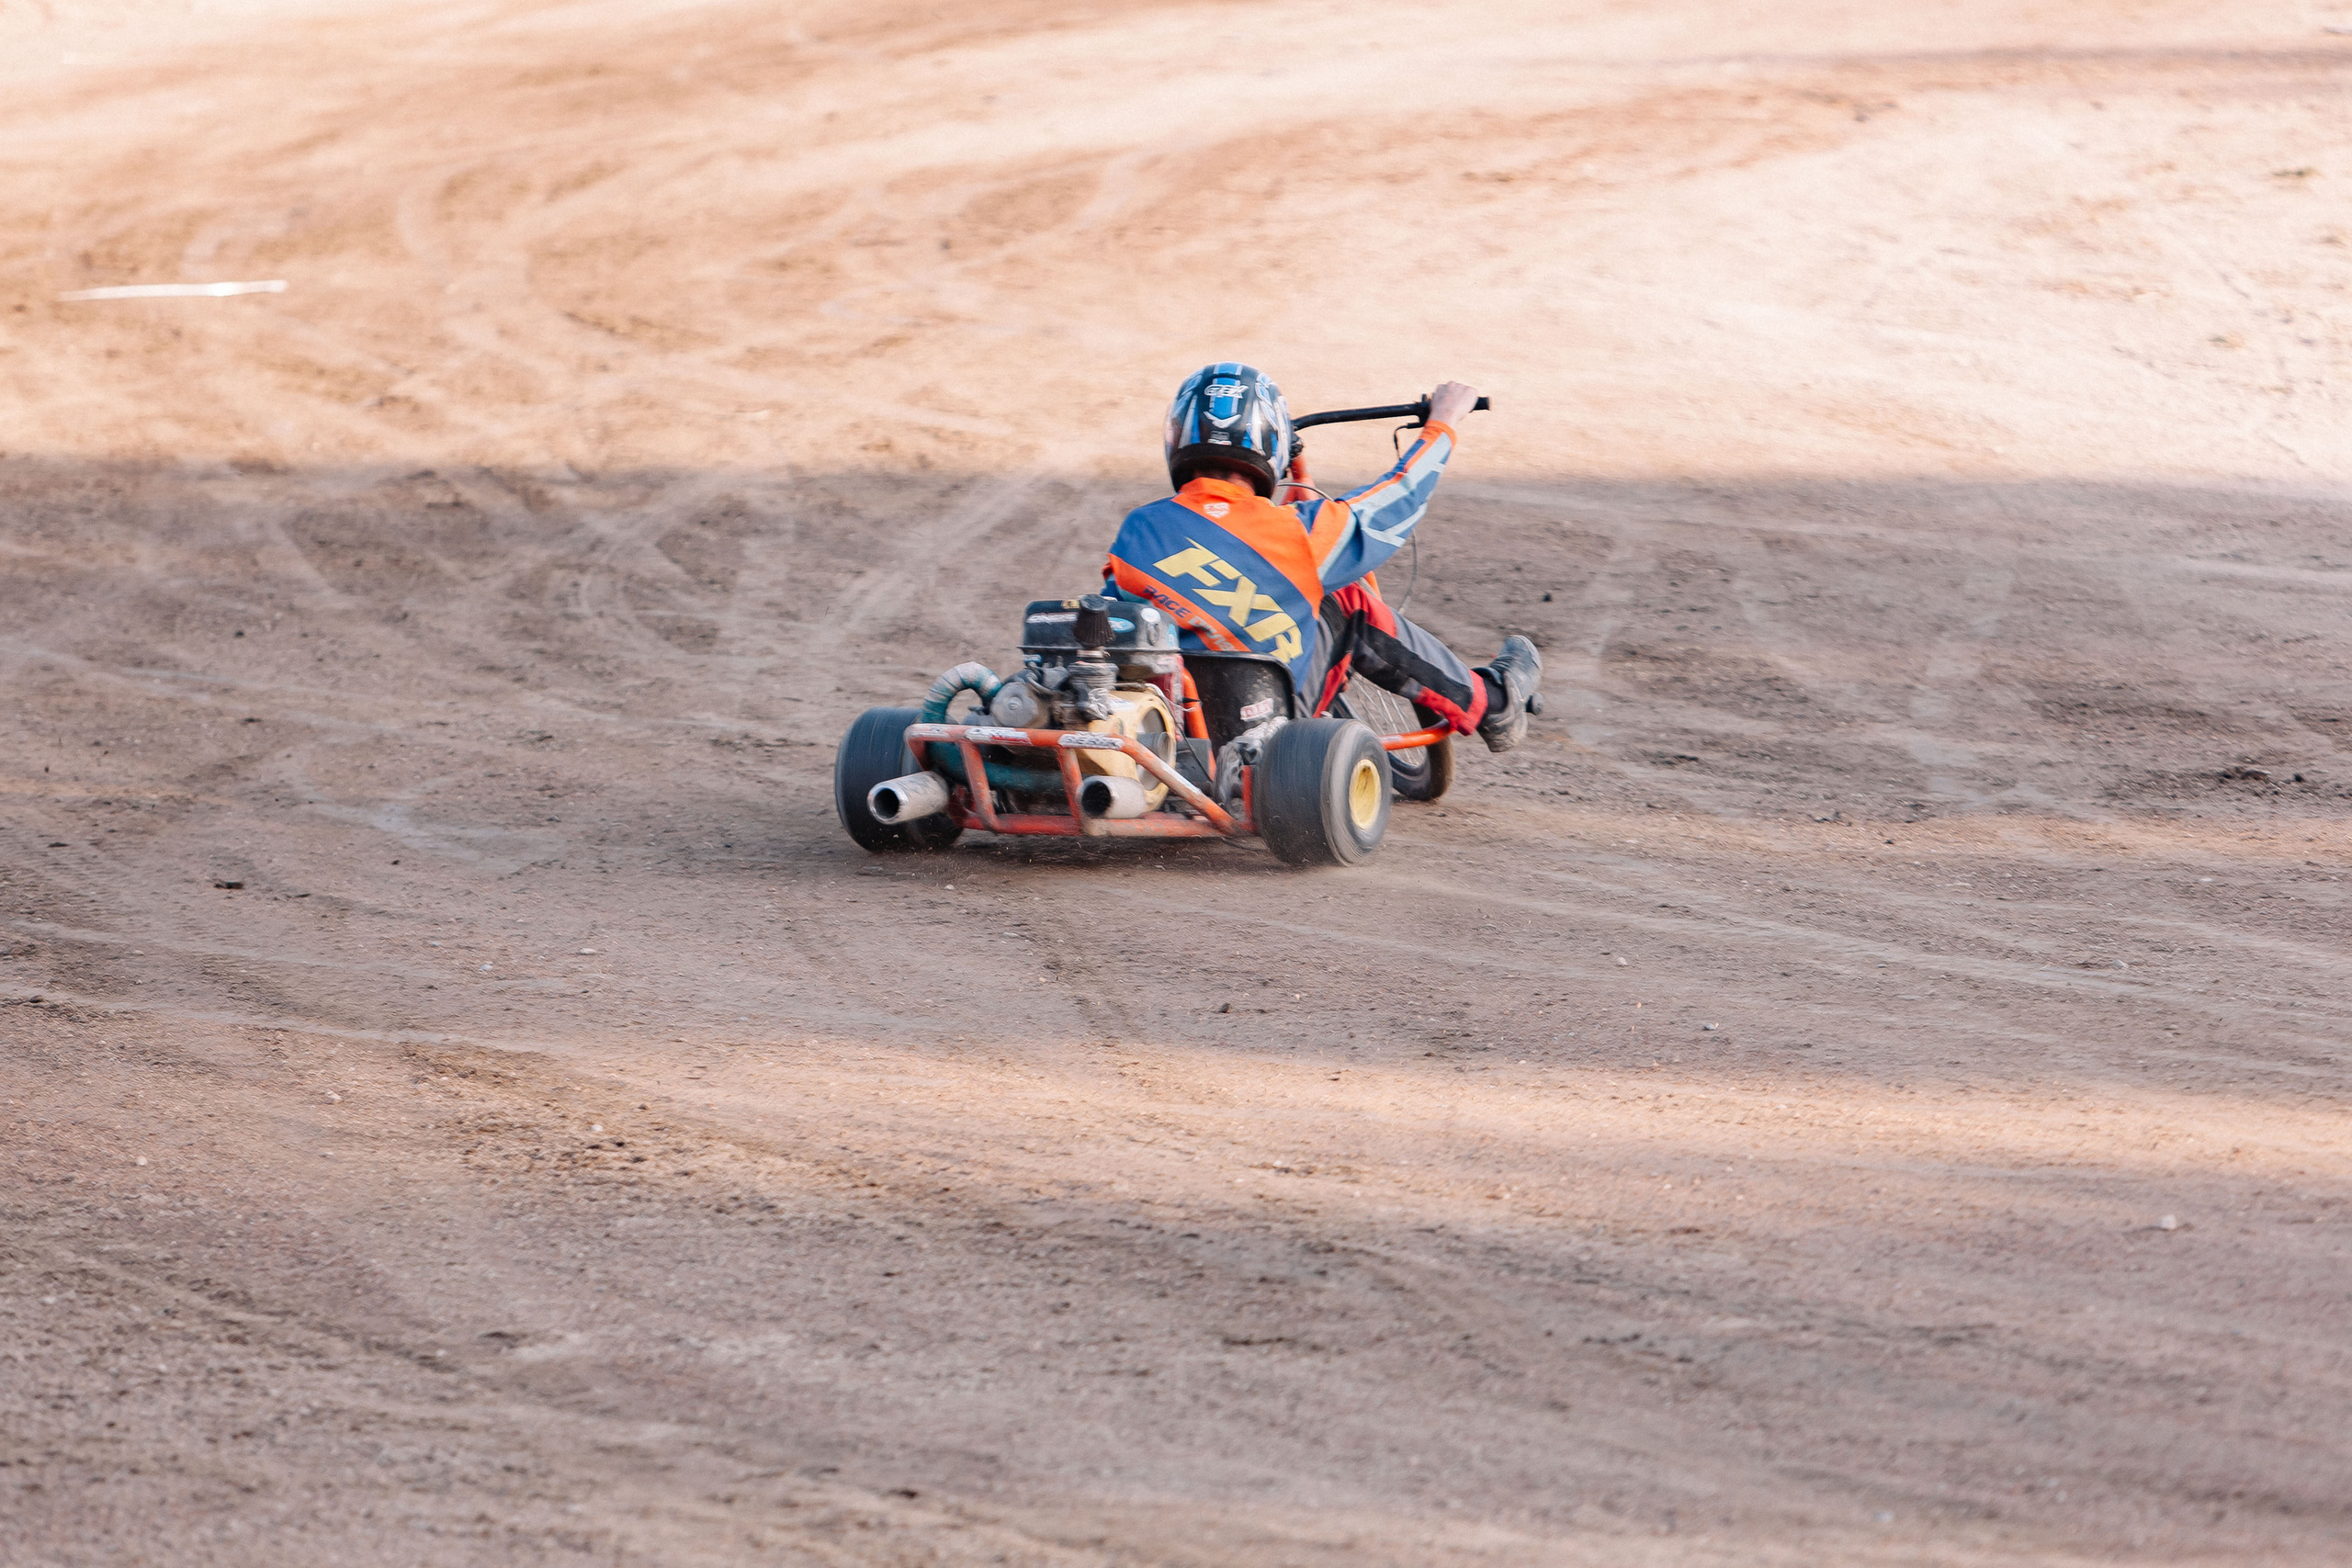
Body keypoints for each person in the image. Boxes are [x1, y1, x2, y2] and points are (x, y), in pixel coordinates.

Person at [1103, 362, 1541, 751]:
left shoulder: (1138, 529)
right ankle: (1492, 703)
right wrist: (1442, 425)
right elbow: (1397, 499)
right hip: (1271, 742)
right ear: (1271, 440)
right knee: (1348, 601)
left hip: (1164, 734)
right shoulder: (1301, 532)